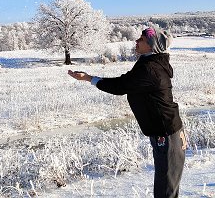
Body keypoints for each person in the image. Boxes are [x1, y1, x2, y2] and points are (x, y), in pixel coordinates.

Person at [68, 27, 187, 198]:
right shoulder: (149, 63)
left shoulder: (150, 69)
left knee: (166, 189)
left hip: (167, 134)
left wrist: (89, 79)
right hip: (166, 131)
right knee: (167, 186)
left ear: (153, 47)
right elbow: (125, 81)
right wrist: (89, 78)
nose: (137, 41)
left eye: (142, 40)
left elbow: (121, 86)